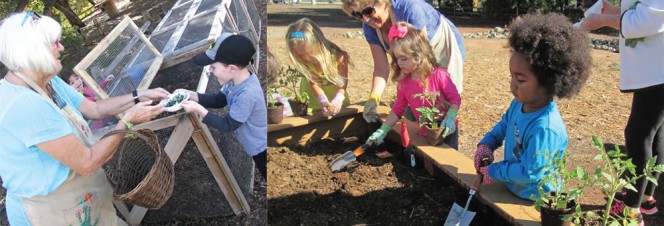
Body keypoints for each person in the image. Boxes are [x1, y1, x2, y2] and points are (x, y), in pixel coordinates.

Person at [0, 12, 168, 225]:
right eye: (55, 43)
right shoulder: (24, 104)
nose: (61, 48)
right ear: (33, 51)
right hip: (51, 210)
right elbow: (87, 163)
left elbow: (95, 109)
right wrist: (127, 121)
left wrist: (137, 97)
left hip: (79, 197)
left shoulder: (48, 81)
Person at [473, 13, 591, 200]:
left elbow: (530, 173)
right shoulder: (519, 104)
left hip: (535, 200)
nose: (513, 84)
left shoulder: (545, 128)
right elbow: (504, 126)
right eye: (511, 76)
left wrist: (493, 171)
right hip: (511, 187)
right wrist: (486, 144)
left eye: (520, 79)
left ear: (548, 81)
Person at [581, 0, 664, 223]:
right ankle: (645, 198)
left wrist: (603, 20)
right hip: (655, 71)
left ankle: (631, 210)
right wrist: (617, 12)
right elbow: (646, 10)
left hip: (657, 73)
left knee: (638, 136)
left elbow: (651, 19)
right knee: (654, 135)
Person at [340, 0, 465, 123]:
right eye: (358, 15)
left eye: (368, 11)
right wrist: (374, 98)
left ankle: (443, 136)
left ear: (383, 2)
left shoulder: (410, 9)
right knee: (417, 104)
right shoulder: (369, 27)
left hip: (440, 47)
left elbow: (422, 57)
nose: (366, 19)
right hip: (414, 59)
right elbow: (381, 68)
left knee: (441, 100)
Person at [177, 32, 267, 181]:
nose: (210, 71)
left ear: (231, 68)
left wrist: (198, 109)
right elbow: (219, 100)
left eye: (213, 67)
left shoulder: (247, 93)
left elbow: (228, 125)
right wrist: (190, 94)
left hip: (261, 148)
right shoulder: (235, 81)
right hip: (254, 145)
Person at [364, 22, 460, 150]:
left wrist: (451, 116)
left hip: (447, 131)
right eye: (397, 58)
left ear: (419, 56)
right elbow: (398, 109)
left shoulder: (439, 75)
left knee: (447, 161)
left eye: (404, 59)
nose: (399, 63)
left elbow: (455, 98)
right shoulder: (404, 83)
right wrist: (383, 130)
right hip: (425, 131)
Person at [285, 18, 350, 116]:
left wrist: (338, 99)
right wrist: (322, 100)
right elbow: (313, 82)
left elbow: (343, 83)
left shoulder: (339, 58)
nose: (305, 58)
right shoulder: (304, 62)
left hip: (336, 98)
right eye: (300, 55)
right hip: (312, 102)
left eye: (309, 53)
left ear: (319, 44)